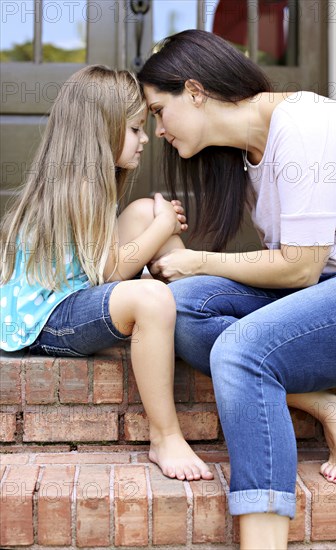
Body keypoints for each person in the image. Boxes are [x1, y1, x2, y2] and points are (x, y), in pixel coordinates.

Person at [138, 30, 336, 549]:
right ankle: (331, 407)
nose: (157, 130)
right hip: (330, 293)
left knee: (241, 350)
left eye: (157, 110)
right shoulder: (251, 153)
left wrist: (199, 259)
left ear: (194, 90)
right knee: (183, 306)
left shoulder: (305, 127)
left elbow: (300, 268)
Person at [0, 64, 214, 483]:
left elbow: (103, 268)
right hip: (47, 320)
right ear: (101, 131)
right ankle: (165, 435)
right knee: (151, 296)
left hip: (72, 297)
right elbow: (110, 270)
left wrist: (156, 225)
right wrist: (163, 228)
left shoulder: (86, 181)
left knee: (147, 212)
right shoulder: (79, 186)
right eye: (135, 129)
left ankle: (197, 315)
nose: (146, 138)